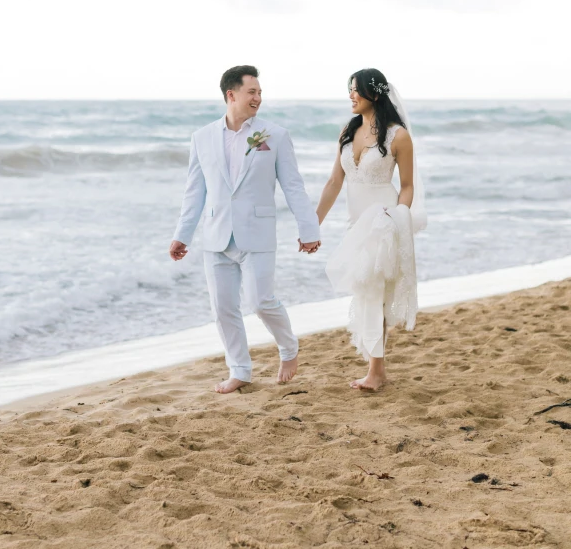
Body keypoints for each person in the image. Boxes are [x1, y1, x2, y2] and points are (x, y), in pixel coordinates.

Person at [169, 65, 321, 393]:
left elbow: (293, 186)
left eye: (260, 92)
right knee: (223, 308)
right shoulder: (203, 137)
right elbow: (195, 191)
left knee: (259, 301)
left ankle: (289, 347)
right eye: (252, 92)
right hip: (216, 234)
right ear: (231, 94)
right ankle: (239, 369)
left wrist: (309, 229)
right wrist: (183, 234)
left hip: (258, 231)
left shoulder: (274, 135)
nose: (258, 98)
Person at [315, 68, 426, 390]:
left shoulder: (398, 136)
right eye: (349, 90)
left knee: (376, 292)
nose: (351, 95)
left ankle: (376, 370)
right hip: (355, 221)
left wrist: (397, 218)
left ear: (374, 94)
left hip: (385, 219)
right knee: (363, 288)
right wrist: (313, 224)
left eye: (356, 90)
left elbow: (406, 186)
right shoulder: (347, 132)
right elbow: (335, 182)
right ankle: (376, 366)